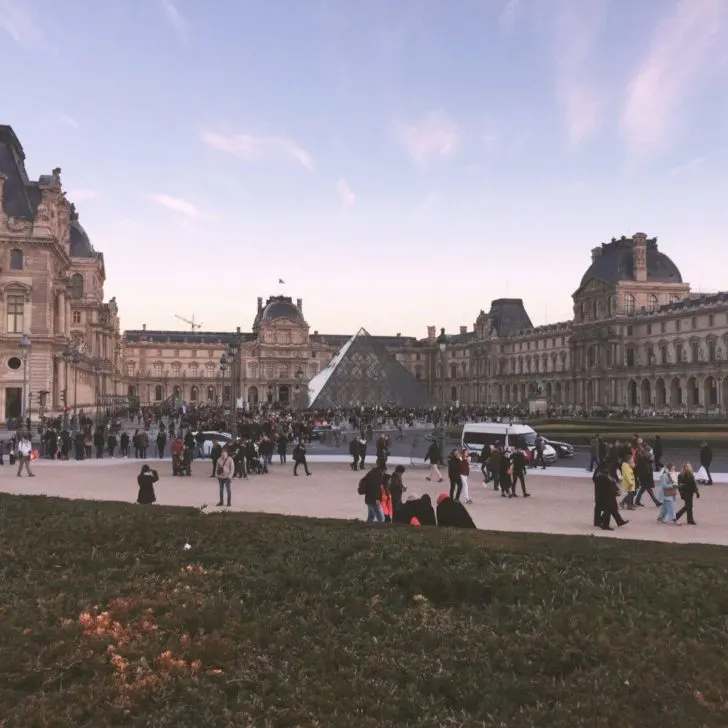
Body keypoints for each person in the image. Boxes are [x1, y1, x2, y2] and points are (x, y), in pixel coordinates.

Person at [593, 461, 628, 531]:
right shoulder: (601, 477)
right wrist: (615, 492)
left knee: (612, 508)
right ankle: (604, 524)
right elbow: (607, 487)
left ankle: (618, 521)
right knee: (608, 509)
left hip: (608, 495)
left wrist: (616, 490)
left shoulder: (605, 475)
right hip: (605, 496)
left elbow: (612, 483)